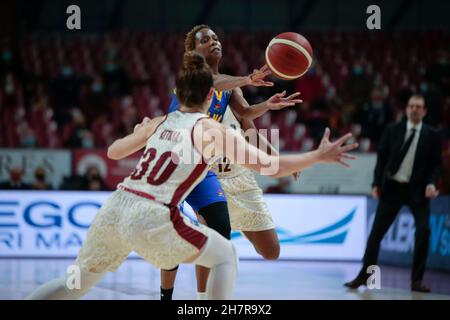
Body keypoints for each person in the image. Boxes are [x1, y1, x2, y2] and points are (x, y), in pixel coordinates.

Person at [27, 52, 357, 300]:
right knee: (225, 255)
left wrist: (142, 130)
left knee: (74, 285)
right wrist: (316, 156)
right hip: (152, 214)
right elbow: (268, 166)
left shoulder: (158, 121)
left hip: (116, 208)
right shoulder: (210, 129)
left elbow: (113, 152)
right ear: (209, 96)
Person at [160, 24, 303, 300]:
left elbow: (246, 116)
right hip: (183, 163)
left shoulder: (228, 84)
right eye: (205, 40)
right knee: (198, 235)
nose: (213, 42)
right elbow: (211, 84)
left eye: (215, 38)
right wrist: (248, 79)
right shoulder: (192, 77)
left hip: (219, 171)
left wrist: (268, 108)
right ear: (193, 52)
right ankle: (190, 298)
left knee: (262, 248)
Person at [344, 94, 442, 293]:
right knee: (376, 234)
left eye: (419, 106)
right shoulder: (392, 130)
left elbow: (435, 166)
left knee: (424, 232)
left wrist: (431, 184)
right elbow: (381, 160)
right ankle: (364, 275)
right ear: (406, 109)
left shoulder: (432, 135)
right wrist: (375, 184)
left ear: (424, 111)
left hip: (418, 191)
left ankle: (416, 281)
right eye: (412, 106)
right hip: (392, 188)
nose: (415, 109)